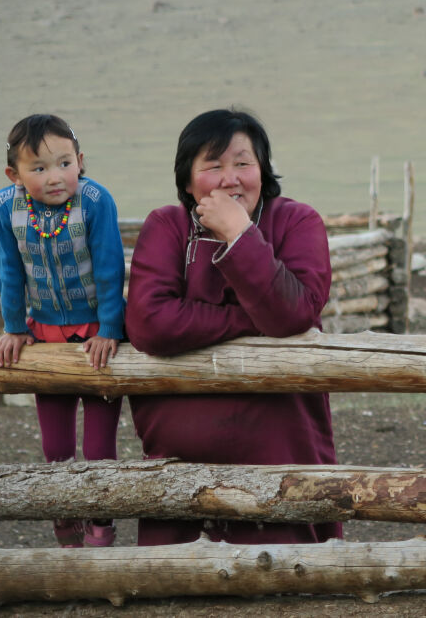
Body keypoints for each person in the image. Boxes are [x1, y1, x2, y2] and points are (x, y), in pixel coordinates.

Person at [125, 108, 340, 546]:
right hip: (178, 459)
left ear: (263, 170)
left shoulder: (298, 222)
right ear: (187, 181)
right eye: (213, 166)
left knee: (289, 576)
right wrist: (250, 320)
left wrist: (241, 235)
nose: (230, 178)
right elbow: (149, 324)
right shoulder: (167, 225)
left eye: (243, 163)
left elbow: (292, 315)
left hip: (282, 446)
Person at [0, 114, 125, 548]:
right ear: (15, 174)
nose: (55, 177)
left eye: (64, 163)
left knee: (100, 446)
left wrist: (110, 328)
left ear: (81, 161)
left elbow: (109, 268)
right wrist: (14, 327)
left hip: (96, 337)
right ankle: (66, 524)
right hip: (44, 332)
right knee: (56, 448)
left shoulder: (95, 200)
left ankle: (102, 527)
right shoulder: (5, 207)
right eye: (39, 168)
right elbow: (9, 270)